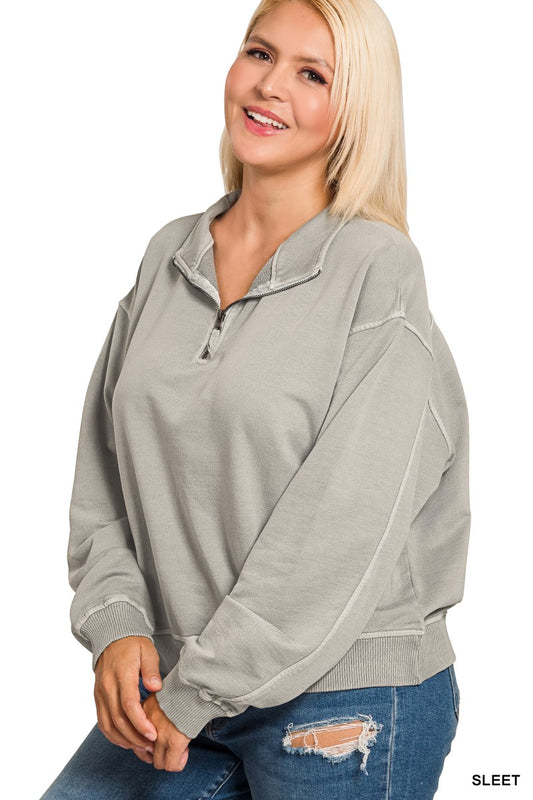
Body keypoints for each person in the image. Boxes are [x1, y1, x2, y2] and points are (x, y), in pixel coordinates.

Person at [39, 1, 470, 798]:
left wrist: (198, 692)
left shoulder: (378, 271)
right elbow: (103, 480)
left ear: (356, 110)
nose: (270, 86)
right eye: (259, 53)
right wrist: (118, 622)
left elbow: (337, 530)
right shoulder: (169, 255)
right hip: (178, 685)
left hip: (345, 697)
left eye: (312, 75)